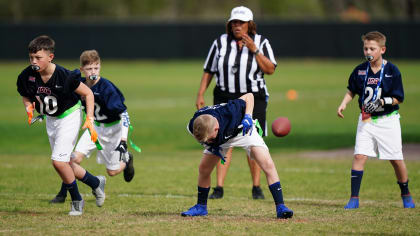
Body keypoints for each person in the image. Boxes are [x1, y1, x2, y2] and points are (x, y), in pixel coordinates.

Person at [196, 6, 277, 200]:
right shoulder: (220, 43)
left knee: (253, 142)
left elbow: (270, 69)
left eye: (241, 23)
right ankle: (219, 187)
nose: (237, 26)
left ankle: (256, 187)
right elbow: (209, 70)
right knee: (223, 141)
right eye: (234, 22)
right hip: (224, 97)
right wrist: (200, 94)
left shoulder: (261, 42)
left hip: (253, 98)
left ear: (250, 24)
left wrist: (254, 50)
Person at [16, 35, 99, 215]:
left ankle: (77, 200)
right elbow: (25, 95)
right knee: (66, 162)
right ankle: (96, 183)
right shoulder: (26, 76)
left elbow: (88, 94)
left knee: (58, 162)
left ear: (50, 57)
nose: (33, 61)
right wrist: (29, 107)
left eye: (38, 58)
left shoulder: (64, 75)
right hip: (51, 119)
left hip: (69, 115)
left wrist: (90, 118)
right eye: (31, 57)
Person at [182, 93, 293, 219]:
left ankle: (281, 207)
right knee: (204, 169)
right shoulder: (195, 125)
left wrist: (248, 116)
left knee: (267, 164)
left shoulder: (231, 113)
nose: (207, 142)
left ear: (217, 129)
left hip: (242, 130)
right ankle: (201, 207)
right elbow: (206, 137)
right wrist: (213, 144)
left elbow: (249, 96)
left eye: (210, 139)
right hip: (222, 139)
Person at [337, 31, 415, 209]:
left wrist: (382, 101)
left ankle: (406, 193)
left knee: (396, 159)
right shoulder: (360, 70)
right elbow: (352, 90)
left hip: (388, 120)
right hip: (366, 120)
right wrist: (343, 104)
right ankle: (354, 199)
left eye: (372, 48)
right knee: (359, 156)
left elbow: (398, 98)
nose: (368, 51)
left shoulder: (392, 71)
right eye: (365, 48)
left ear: (382, 49)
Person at [50, 49, 136, 204]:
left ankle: (127, 159)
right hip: (94, 127)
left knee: (112, 171)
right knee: (72, 160)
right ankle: (63, 194)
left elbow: (124, 114)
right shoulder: (80, 85)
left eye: (96, 68)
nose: (93, 72)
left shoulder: (107, 88)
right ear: (82, 69)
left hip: (113, 130)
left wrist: (123, 140)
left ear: (100, 67)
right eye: (89, 69)